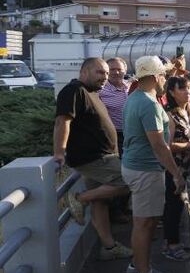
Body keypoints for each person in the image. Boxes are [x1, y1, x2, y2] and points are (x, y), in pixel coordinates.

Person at [53, 57, 133, 260]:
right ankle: (79, 199)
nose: (105, 77)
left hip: (103, 155)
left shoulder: (93, 92)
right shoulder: (74, 90)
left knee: (101, 201)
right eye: (100, 72)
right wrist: (59, 152)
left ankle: (108, 247)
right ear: (84, 72)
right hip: (94, 158)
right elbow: (63, 121)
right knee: (129, 181)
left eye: (106, 73)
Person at [121, 56, 185, 273]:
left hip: (136, 165)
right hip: (145, 169)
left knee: (144, 222)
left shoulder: (136, 97)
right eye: (164, 75)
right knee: (144, 223)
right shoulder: (148, 103)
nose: (165, 79)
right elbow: (159, 145)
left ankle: (136, 265)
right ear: (156, 76)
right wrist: (176, 174)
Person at [163, 76, 190, 261]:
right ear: (171, 92)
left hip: (186, 168)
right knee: (173, 205)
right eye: (182, 89)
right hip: (173, 168)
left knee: (180, 205)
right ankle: (171, 245)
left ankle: (176, 240)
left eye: (188, 88)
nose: (187, 92)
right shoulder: (170, 114)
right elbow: (167, 145)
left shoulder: (187, 110)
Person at [99, 57, 129, 152]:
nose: (116, 72)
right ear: (106, 71)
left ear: (125, 71)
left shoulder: (131, 86)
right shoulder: (101, 91)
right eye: (112, 69)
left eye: (119, 69)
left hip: (134, 134)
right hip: (115, 136)